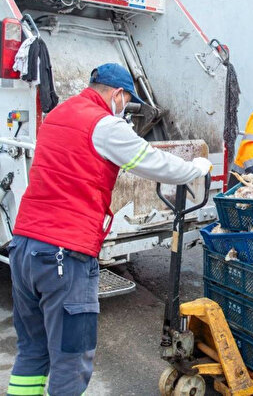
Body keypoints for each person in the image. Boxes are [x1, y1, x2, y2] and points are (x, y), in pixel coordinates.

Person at [6, 63, 211, 396]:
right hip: (64, 254)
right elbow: (150, 161)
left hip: (25, 248)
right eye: (127, 101)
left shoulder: (58, 115)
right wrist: (193, 169)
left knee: (33, 350)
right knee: (71, 360)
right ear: (117, 94)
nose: (125, 110)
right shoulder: (105, 124)